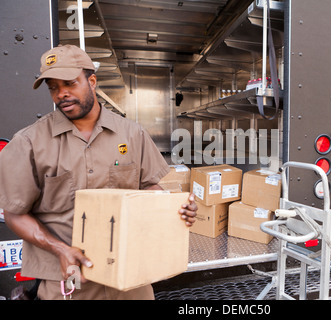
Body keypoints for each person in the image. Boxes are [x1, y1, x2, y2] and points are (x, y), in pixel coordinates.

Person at [0, 44, 197, 300]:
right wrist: (59, 249)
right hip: (70, 276)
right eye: (53, 87)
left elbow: (150, 189)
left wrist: (175, 211)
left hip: (130, 271)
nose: (62, 94)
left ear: (91, 81)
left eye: (70, 83)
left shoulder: (131, 133)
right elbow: (14, 213)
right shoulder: (29, 142)